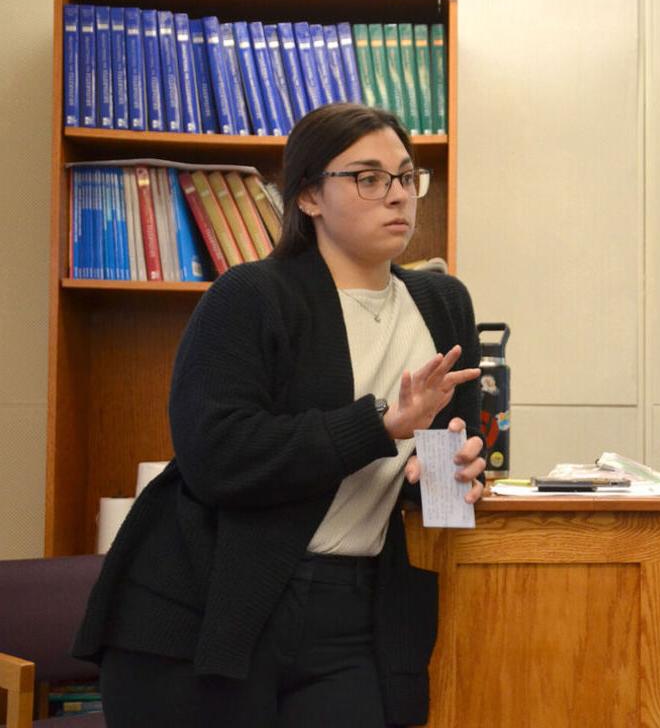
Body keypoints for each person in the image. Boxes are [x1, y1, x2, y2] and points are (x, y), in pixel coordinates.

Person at [73, 103, 485, 727]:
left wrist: (452, 474)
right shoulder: (249, 296)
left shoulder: (443, 303)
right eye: (368, 178)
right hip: (206, 607)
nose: (396, 196)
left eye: (406, 177)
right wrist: (377, 427)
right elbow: (216, 455)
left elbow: (442, 457)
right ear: (309, 197)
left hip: (353, 607)